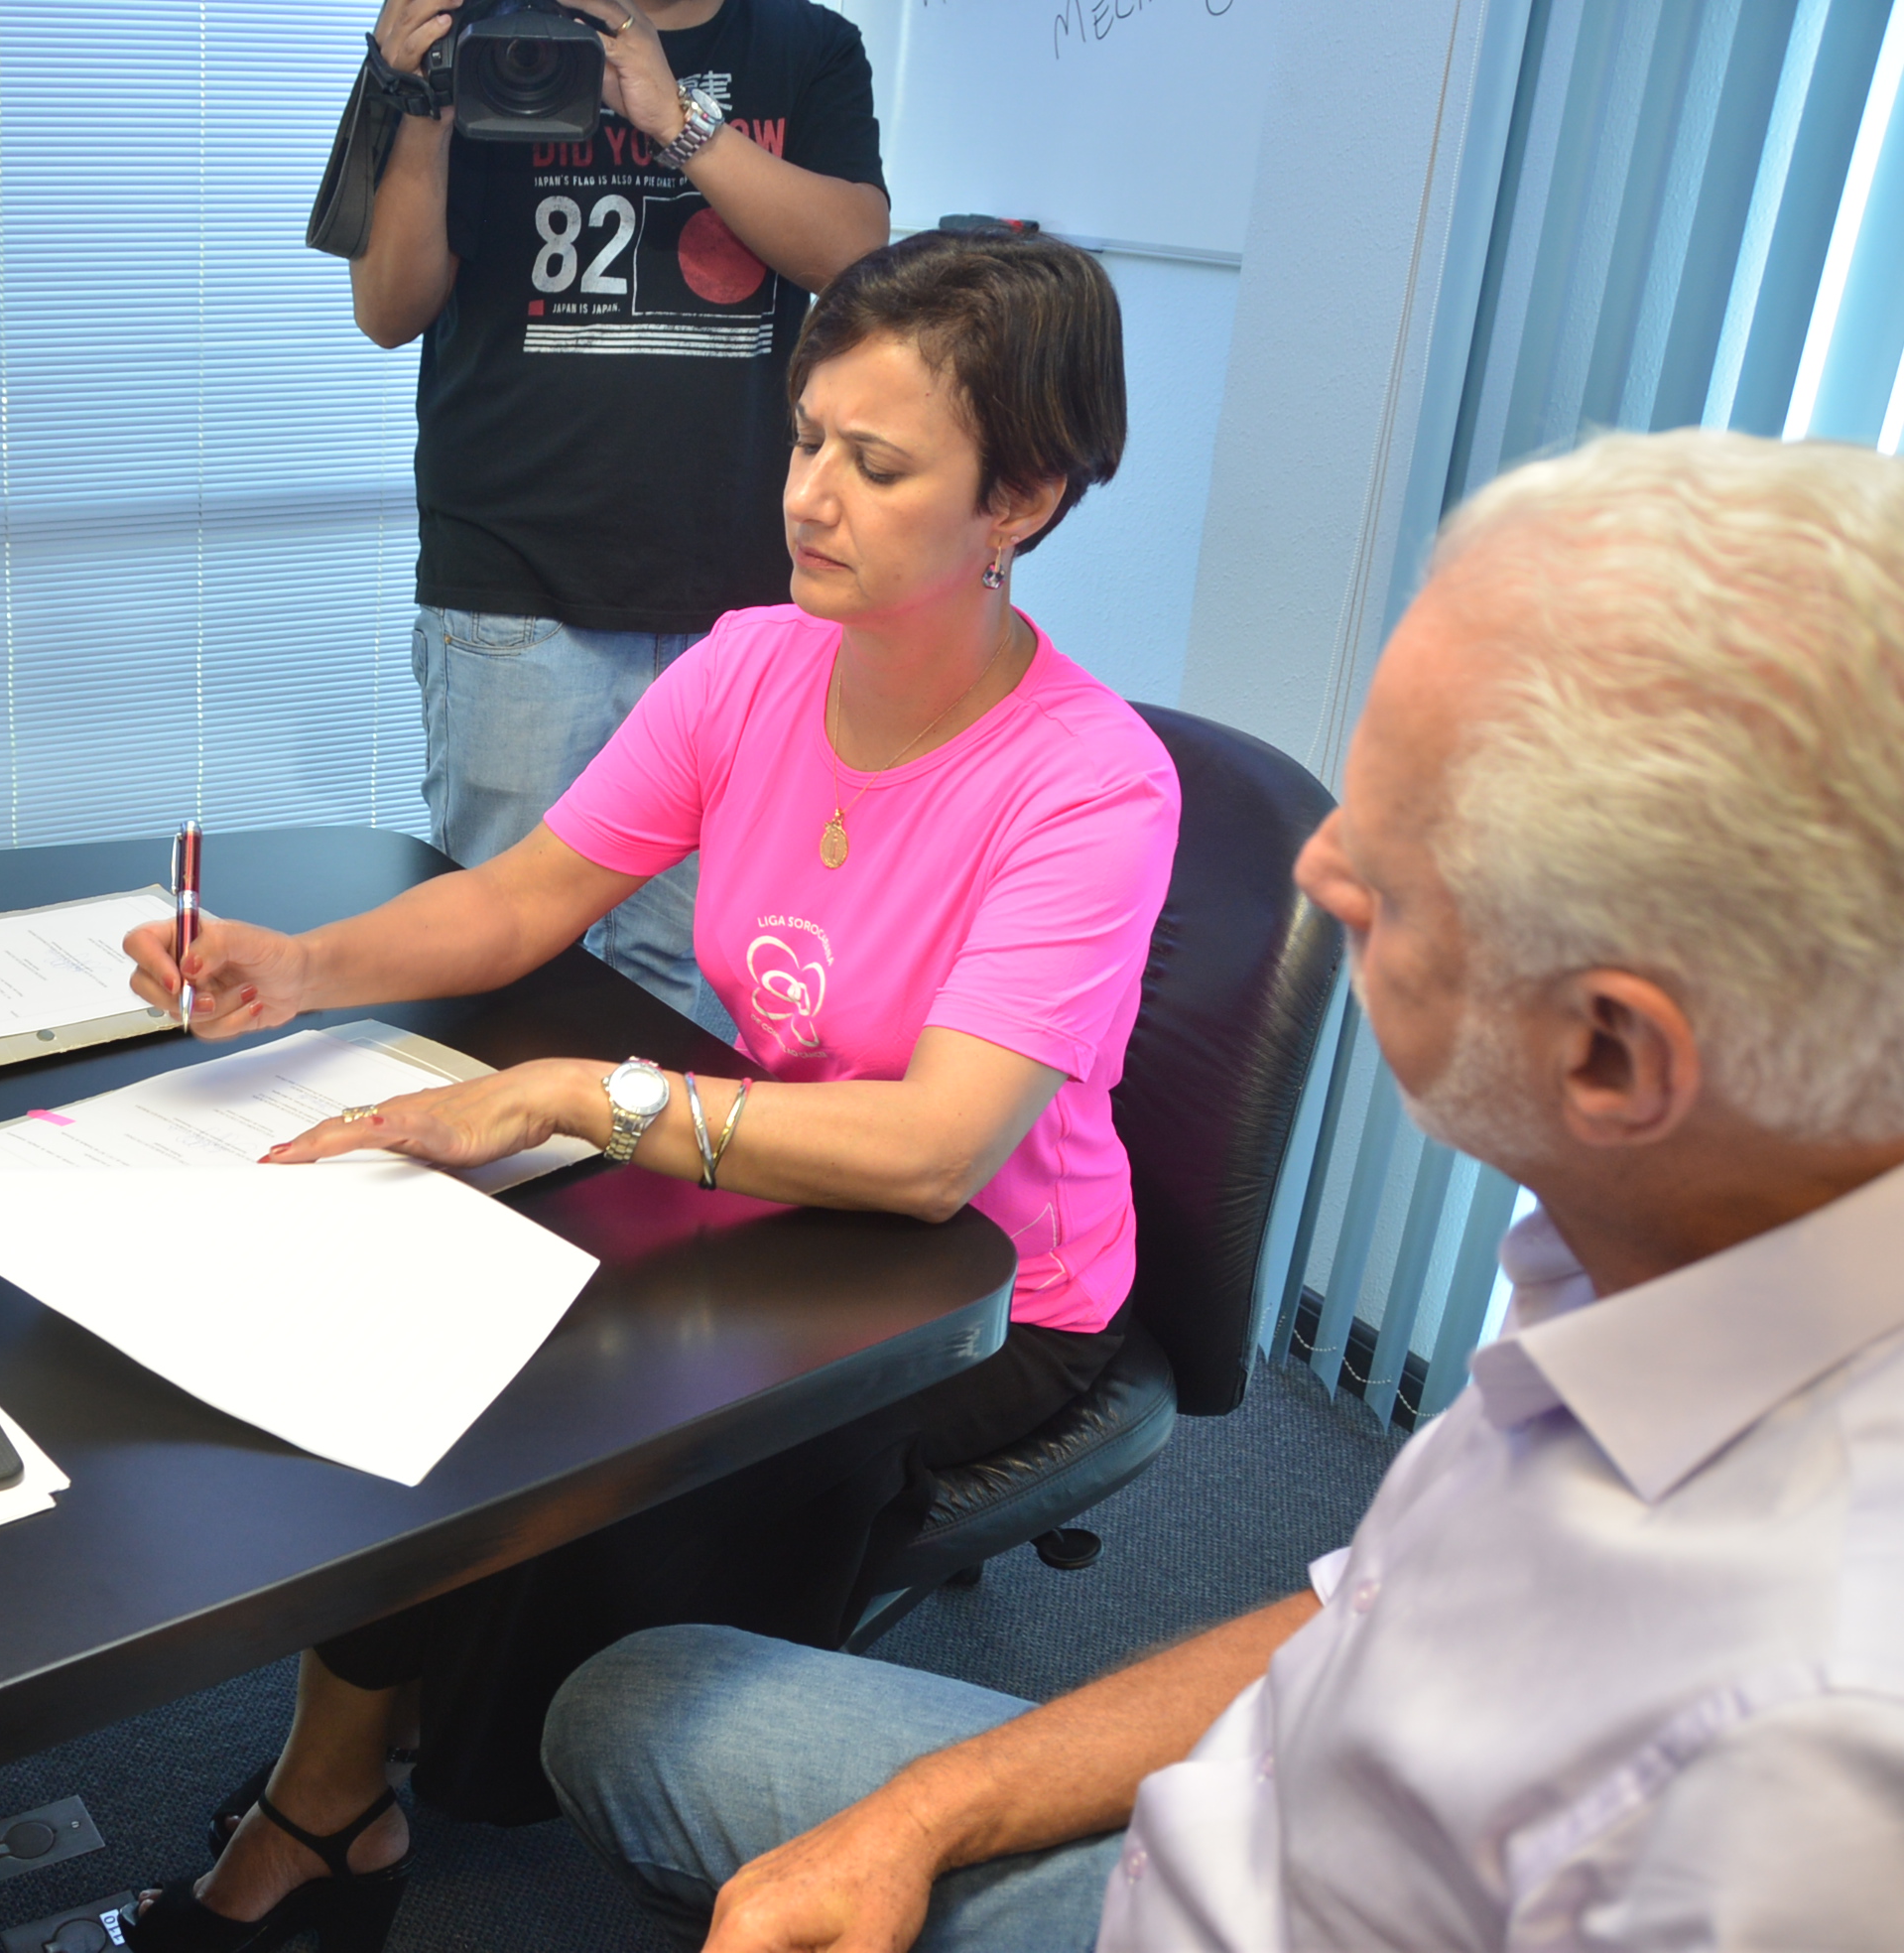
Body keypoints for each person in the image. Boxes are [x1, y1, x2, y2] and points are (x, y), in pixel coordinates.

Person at [540, 427, 1904, 1952]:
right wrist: (935, 1808)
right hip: (1259, 1813)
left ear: (1611, 1054)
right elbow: (1383, 1607)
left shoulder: (1802, 1773)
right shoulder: (1664, 1243)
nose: (1318, 877)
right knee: (622, 1710)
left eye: (1393, 867)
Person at [115, 230, 1178, 1953]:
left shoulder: (1087, 787)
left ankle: (351, 1798)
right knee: (443, 1325)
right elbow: (523, 897)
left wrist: (572, 1095)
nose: (808, 496)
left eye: (877, 464)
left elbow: (933, 1154)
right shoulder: (752, 666)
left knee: (567, 1423)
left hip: (980, 1290)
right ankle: (345, 1787)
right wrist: (294, 965)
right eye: (805, 439)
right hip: (780, 1197)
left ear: (1024, 501)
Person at [357, 0, 890, 1031]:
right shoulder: (476, 31)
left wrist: (675, 120)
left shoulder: (808, 46)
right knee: (501, 966)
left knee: (694, 989)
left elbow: (854, 259)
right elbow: (387, 310)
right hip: (517, 584)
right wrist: (416, 104)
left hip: (737, 605)